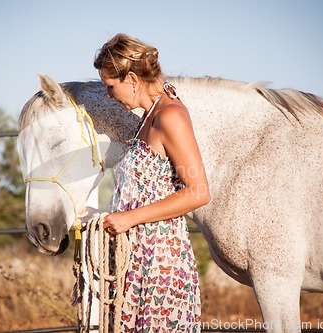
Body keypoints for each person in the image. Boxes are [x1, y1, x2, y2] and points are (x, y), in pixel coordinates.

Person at [93, 33, 210, 332]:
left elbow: (199, 192)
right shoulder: (149, 117)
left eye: (110, 87)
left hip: (160, 264)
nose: (109, 96)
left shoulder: (171, 116)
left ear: (131, 79)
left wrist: (128, 218)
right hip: (139, 258)